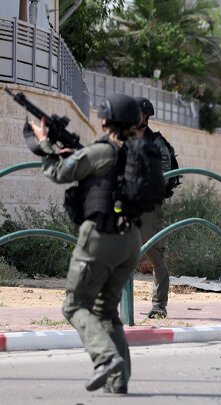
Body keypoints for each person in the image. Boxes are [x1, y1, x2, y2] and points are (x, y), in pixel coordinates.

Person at [30, 94, 144, 393]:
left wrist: (44, 143)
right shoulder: (137, 153)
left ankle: (105, 359)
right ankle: (119, 383)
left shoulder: (100, 151)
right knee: (106, 310)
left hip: (101, 238)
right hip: (130, 239)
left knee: (75, 304)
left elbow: (58, 172)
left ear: (106, 120)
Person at [135, 97, 180, 319]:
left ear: (146, 117)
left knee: (156, 259)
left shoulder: (156, 143)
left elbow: (162, 176)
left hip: (148, 209)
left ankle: (159, 305)